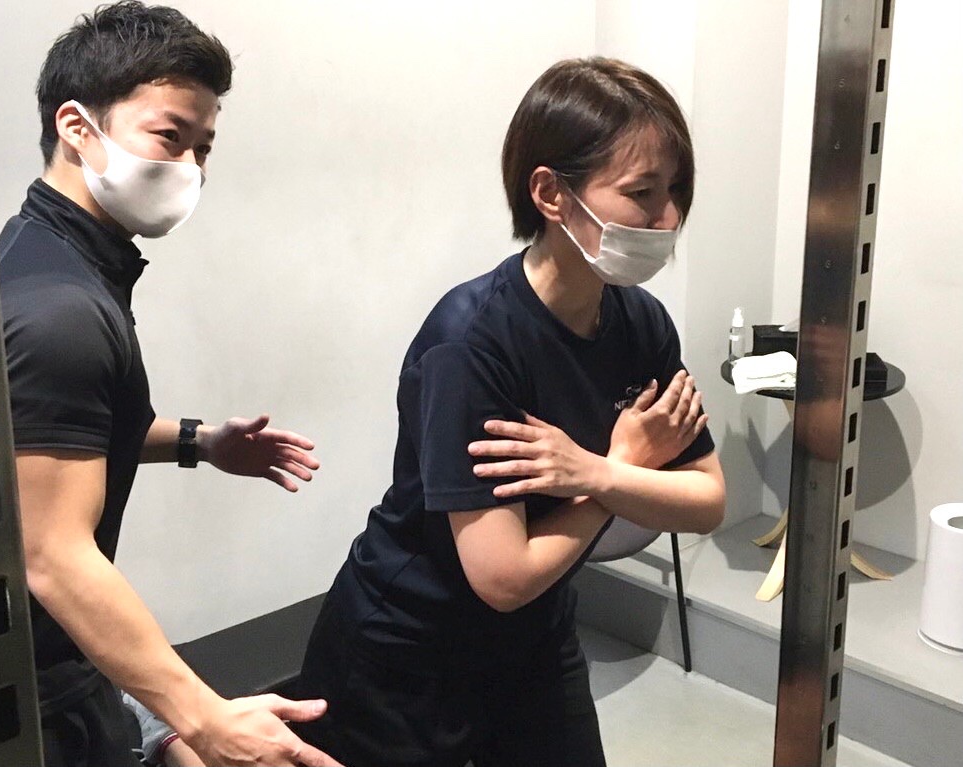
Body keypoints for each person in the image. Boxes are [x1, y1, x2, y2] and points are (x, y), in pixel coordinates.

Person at [289, 57, 726, 767]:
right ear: (551, 193)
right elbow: (502, 576)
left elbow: (706, 500)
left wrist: (596, 473)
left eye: (675, 191)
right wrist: (619, 469)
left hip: (536, 636)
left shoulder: (641, 323)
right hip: (408, 655)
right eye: (641, 192)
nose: (667, 217)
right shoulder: (470, 344)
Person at [0, 3, 341, 765]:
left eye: (202, 146)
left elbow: (64, 432)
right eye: (169, 136)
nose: (190, 167)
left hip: (63, 665)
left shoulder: (47, 250)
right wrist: (205, 718)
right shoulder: (60, 312)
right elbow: (53, 553)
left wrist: (202, 442)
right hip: (44, 689)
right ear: (77, 127)